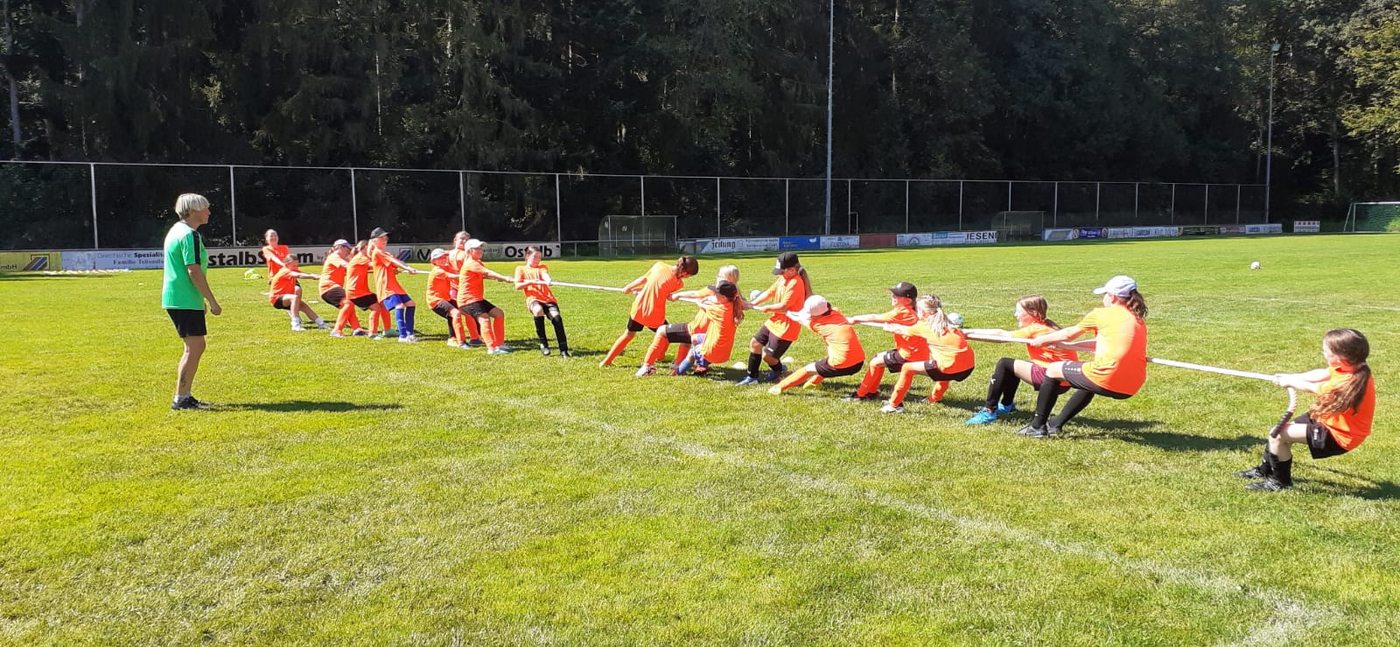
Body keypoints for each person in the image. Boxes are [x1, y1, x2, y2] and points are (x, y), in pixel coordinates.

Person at [1239, 329, 1376, 492]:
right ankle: (1265, 469)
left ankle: (1279, 482)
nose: (1323, 353)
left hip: (1340, 435)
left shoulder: (1347, 382)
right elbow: (1321, 374)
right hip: (1327, 419)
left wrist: (1290, 381)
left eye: (1325, 351)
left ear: (1339, 357)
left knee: (1277, 435)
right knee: (1280, 431)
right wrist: (1291, 376)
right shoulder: (1352, 366)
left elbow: (1314, 387)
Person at [1019, 275, 1149, 438]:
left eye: (1105, 294)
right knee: (1087, 375)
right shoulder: (1138, 319)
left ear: (1113, 297)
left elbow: (1068, 333)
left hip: (1108, 377)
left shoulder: (1101, 314)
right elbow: (1100, 342)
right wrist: (1068, 347)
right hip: (1132, 385)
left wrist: (1042, 340)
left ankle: (1037, 427)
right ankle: (1055, 424)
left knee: (1053, 369)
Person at [963, 295, 1081, 425]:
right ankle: (1007, 405)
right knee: (1013, 366)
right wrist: (967, 333)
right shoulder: (1047, 325)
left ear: (1034, 313)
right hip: (1064, 379)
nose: (1015, 315)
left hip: (1054, 380)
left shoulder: (1036, 328)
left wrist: (966, 333)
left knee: (1004, 364)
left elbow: (1002, 336)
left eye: (1018, 311)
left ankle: (989, 410)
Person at [163, 193, 221, 410]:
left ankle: (184, 396)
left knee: (196, 346)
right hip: (183, 298)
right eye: (205, 208)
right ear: (193, 210)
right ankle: (181, 398)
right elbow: (193, 270)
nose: (209, 212)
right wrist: (212, 301)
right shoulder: (190, 235)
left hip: (180, 298)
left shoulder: (176, 231)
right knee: (194, 347)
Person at [880, 295, 975, 413]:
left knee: (907, 368)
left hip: (950, 368)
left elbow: (901, 330)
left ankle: (894, 405)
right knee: (942, 362)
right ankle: (935, 398)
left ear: (923, 312)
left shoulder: (923, 326)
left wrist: (889, 328)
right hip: (968, 367)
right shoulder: (948, 323)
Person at [600, 256, 700, 367]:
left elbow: (645, 280)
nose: (688, 278)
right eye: (689, 276)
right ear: (685, 273)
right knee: (665, 336)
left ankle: (606, 361)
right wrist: (673, 297)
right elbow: (664, 293)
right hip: (654, 314)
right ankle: (660, 357)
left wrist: (629, 287)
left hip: (639, 309)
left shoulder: (659, 265)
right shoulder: (678, 284)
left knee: (628, 334)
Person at [636, 280, 742, 377]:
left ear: (723, 297)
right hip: (724, 350)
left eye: (717, 293)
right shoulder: (734, 305)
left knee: (665, 333)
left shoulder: (719, 310)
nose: (714, 293)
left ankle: (676, 371)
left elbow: (700, 302)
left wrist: (698, 300)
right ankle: (699, 365)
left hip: (712, 350)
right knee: (694, 338)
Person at [738, 252, 811, 385]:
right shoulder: (783, 279)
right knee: (755, 343)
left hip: (786, 327)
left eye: (782, 271)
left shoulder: (795, 283)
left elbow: (783, 306)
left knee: (768, 357)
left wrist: (767, 308)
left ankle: (779, 369)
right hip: (775, 321)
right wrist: (752, 304)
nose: (780, 274)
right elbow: (768, 293)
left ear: (792, 270)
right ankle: (752, 378)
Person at [845, 282, 928, 400]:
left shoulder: (903, 312)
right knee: (878, 358)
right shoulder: (911, 310)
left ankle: (861, 394)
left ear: (908, 300)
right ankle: (871, 392)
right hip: (913, 352)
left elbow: (875, 317)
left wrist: (854, 319)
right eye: (893, 294)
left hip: (909, 355)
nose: (892, 297)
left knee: (875, 363)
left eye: (897, 295)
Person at [769, 295, 865, 395]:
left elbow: (800, 319)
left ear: (815, 315)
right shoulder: (836, 313)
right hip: (859, 362)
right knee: (825, 363)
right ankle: (813, 383)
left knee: (808, 370)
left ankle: (778, 387)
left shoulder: (817, 325)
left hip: (842, 364)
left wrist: (786, 312)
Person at [456, 238, 516, 355]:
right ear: (469, 251)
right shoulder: (471, 263)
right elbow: (487, 272)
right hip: (467, 300)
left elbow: (483, 275)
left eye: (481, 248)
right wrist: (505, 278)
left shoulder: (477, 263)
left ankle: (499, 344)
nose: (481, 250)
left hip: (476, 299)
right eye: (477, 248)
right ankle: (492, 348)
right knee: (484, 319)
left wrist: (498, 278)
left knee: (499, 314)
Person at [513, 246, 570, 357]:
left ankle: (564, 350)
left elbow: (545, 275)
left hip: (548, 299)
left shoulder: (542, 267)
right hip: (533, 299)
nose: (537, 260)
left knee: (557, 318)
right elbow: (517, 285)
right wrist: (530, 282)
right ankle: (544, 344)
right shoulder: (520, 269)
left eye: (539, 257)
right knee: (538, 310)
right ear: (527, 256)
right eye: (535, 257)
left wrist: (548, 280)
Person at [368, 227, 423, 342]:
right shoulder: (377, 252)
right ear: (374, 241)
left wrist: (405, 267)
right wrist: (407, 268)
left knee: (411, 304)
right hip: (386, 286)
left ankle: (409, 333)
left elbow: (395, 263)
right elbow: (394, 261)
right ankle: (402, 336)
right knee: (400, 306)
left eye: (385, 238)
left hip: (394, 286)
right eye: (381, 238)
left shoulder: (385, 253)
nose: (385, 240)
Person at [345, 240, 392, 339]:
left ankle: (388, 330)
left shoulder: (361, 258)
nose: (373, 250)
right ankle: (372, 333)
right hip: (356, 292)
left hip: (362, 291)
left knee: (382, 303)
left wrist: (391, 270)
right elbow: (376, 265)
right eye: (372, 248)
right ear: (365, 247)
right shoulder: (361, 258)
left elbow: (373, 268)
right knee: (376, 308)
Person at [426, 248, 471, 347]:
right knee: (455, 313)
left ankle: (454, 338)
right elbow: (453, 276)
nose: (443, 259)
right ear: (434, 261)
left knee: (463, 310)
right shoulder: (437, 271)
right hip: (435, 301)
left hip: (446, 298)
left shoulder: (446, 267)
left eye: (444, 257)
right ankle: (461, 342)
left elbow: (456, 271)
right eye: (440, 258)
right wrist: (469, 276)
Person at [320, 239, 365, 337]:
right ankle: (337, 330)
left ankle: (357, 329)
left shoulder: (340, 258)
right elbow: (348, 266)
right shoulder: (334, 257)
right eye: (347, 249)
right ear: (340, 247)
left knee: (348, 306)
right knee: (349, 302)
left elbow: (355, 267)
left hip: (330, 287)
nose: (348, 251)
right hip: (328, 287)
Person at [447, 230, 484, 346]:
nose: (464, 241)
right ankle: (453, 337)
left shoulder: (466, 255)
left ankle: (475, 336)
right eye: (461, 238)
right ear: (455, 240)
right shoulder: (447, 254)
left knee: (470, 312)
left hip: (467, 288)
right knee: (454, 312)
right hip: (453, 287)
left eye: (466, 239)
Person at [267, 260, 326, 331]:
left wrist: (318, 276)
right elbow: (299, 275)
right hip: (276, 299)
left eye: (297, 265)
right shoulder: (285, 271)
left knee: (304, 306)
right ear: (287, 264)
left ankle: (321, 324)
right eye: (294, 265)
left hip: (286, 297)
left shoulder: (292, 270)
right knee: (294, 298)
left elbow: (304, 274)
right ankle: (295, 324)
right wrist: (313, 276)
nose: (296, 267)